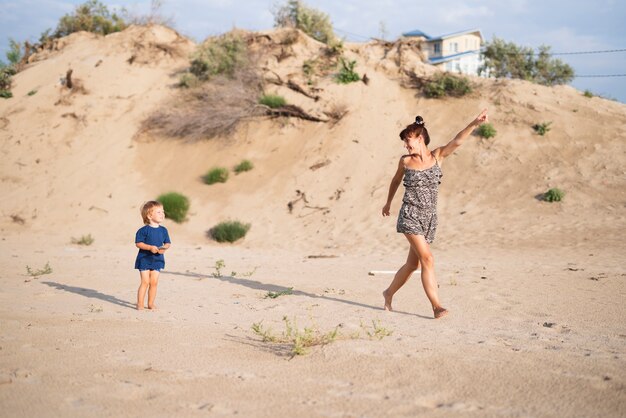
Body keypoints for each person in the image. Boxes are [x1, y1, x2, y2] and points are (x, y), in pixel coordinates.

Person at [382, 109, 488, 318]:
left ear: (420, 138)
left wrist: (474, 124)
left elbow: (457, 141)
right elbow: (395, 181)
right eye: (404, 142)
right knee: (428, 259)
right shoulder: (405, 161)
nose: (406, 145)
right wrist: (388, 203)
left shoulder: (438, 156)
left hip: (429, 218)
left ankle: (388, 293)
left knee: (412, 264)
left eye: (408, 140)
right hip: (410, 215)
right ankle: (436, 306)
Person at [134, 201, 171, 310]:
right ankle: (140, 303)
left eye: (163, 212)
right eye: (159, 212)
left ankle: (150, 303)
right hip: (144, 259)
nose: (162, 214)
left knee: (154, 282)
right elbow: (138, 243)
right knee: (145, 282)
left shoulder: (163, 230)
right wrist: (150, 247)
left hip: (158, 259)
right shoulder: (143, 230)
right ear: (149, 216)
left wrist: (164, 249)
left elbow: (167, 243)